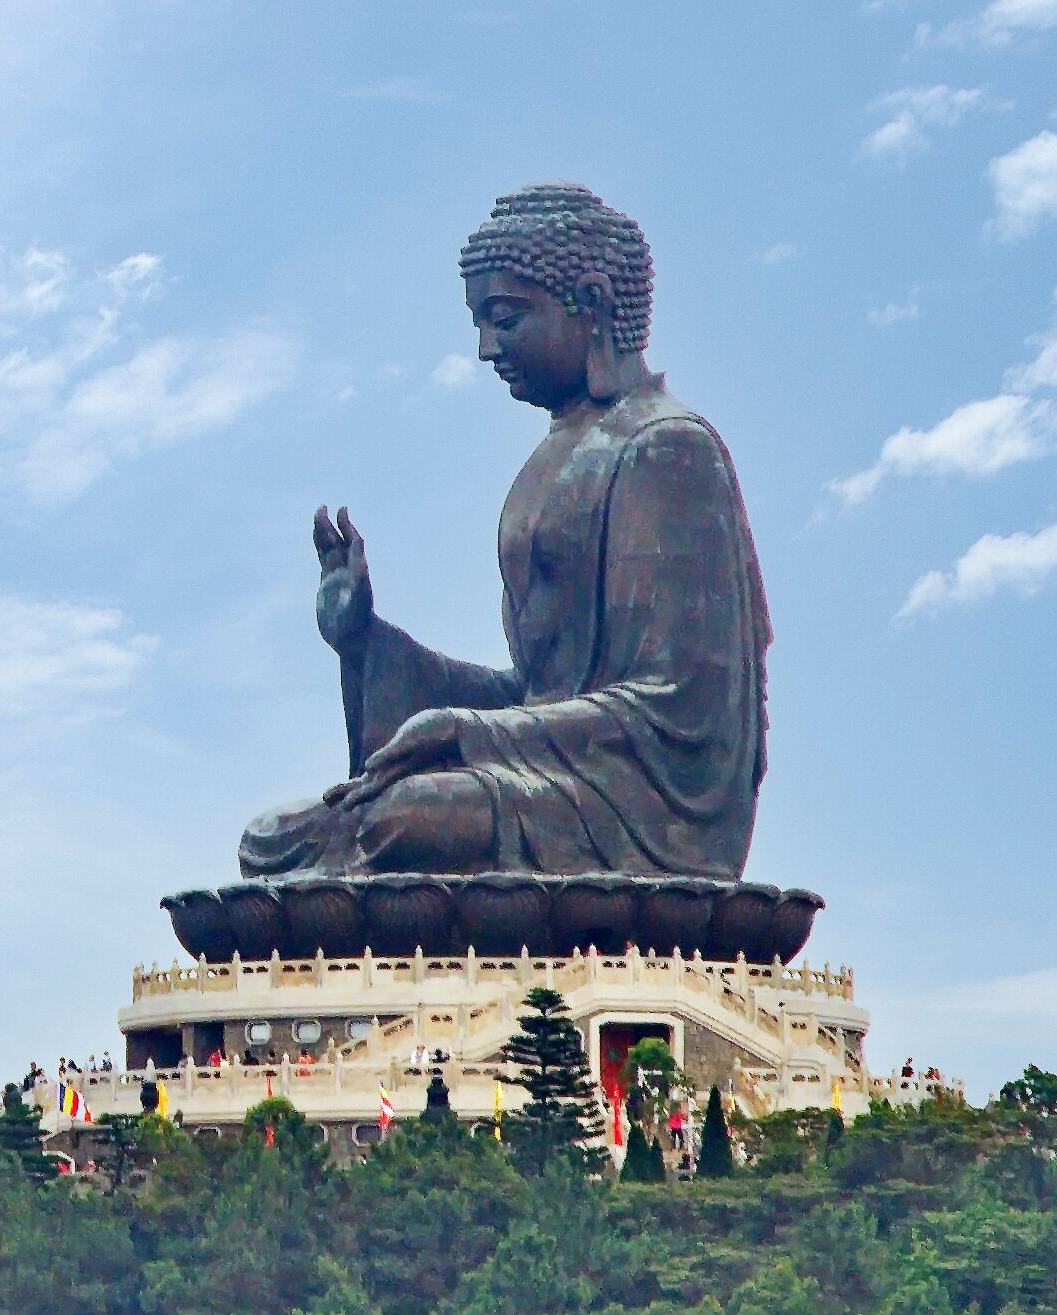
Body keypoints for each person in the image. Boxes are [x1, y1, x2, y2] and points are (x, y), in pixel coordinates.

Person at [239, 183, 769, 880]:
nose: (487, 348)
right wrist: (366, 643)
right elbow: (532, 696)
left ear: (588, 299)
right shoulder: (554, 460)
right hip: (551, 777)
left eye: (505, 318)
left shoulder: (666, 447)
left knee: (404, 820)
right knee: (270, 837)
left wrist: (472, 733)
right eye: (480, 324)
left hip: (637, 808)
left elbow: (680, 710)